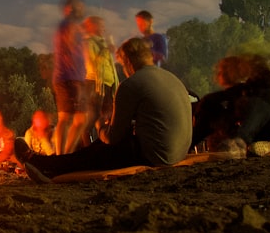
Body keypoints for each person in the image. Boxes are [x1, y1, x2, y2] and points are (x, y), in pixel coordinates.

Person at [15, 37, 192, 183]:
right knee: (103, 145)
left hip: (156, 156)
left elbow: (113, 137)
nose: (124, 69)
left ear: (128, 61)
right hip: (179, 152)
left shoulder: (132, 84)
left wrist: (100, 125)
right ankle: (50, 164)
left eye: (122, 64)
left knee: (99, 149)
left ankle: (42, 163)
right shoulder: (171, 78)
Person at [192, 54, 270, 157]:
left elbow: (263, 103)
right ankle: (186, 143)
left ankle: (239, 143)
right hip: (261, 133)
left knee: (264, 98)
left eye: (224, 69)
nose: (219, 73)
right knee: (214, 108)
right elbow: (217, 98)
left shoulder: (267, 86)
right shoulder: (242, 90)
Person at [52, 0, 88, 154]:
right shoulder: (67, 25)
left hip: (76, 78)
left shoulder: (72, 26)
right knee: (66, 119)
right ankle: (61, 156)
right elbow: (72, 50)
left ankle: (67, 154)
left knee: (80, 120)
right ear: (68, 8)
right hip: (67, 78)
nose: (81, 8)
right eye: (78, 6)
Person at [82, 15, 119, 144]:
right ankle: (88, 147)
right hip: (95, 84)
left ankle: (104, 144)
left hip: (108, 84)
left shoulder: (103, 42)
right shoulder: (88, 42)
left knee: (107, 117)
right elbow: (92, 64)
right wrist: (106, 50)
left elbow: (108, 65)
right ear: (92, 26)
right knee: (93, 117)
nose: (104, 28)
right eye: (101, 25)